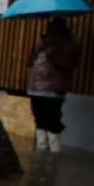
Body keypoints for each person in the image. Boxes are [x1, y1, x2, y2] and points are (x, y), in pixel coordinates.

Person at [27, 18, 78, 153]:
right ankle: (41, 150)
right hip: (36, 89)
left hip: (53, 90)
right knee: (39, 120)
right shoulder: (42, 44)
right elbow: (29, 62)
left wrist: (52, 54)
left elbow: (70, 65)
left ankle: (55, 153)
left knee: (52, 121)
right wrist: (38, 48)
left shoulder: (67, 45)